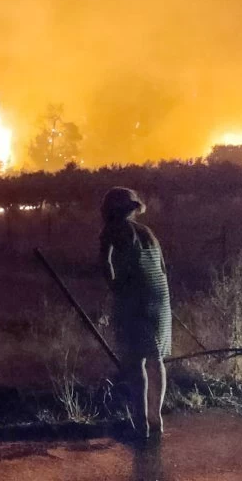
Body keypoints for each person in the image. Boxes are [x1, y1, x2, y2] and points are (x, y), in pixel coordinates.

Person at [100, 187, 172, 440]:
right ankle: (156, 417)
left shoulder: (113, 229)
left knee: (135, 361)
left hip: (135, 298)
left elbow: (105, 263)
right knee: (155, 358)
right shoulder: (147, 232)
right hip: (159, 298)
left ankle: (140, 422)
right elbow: (161, 267)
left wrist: (115, 287)